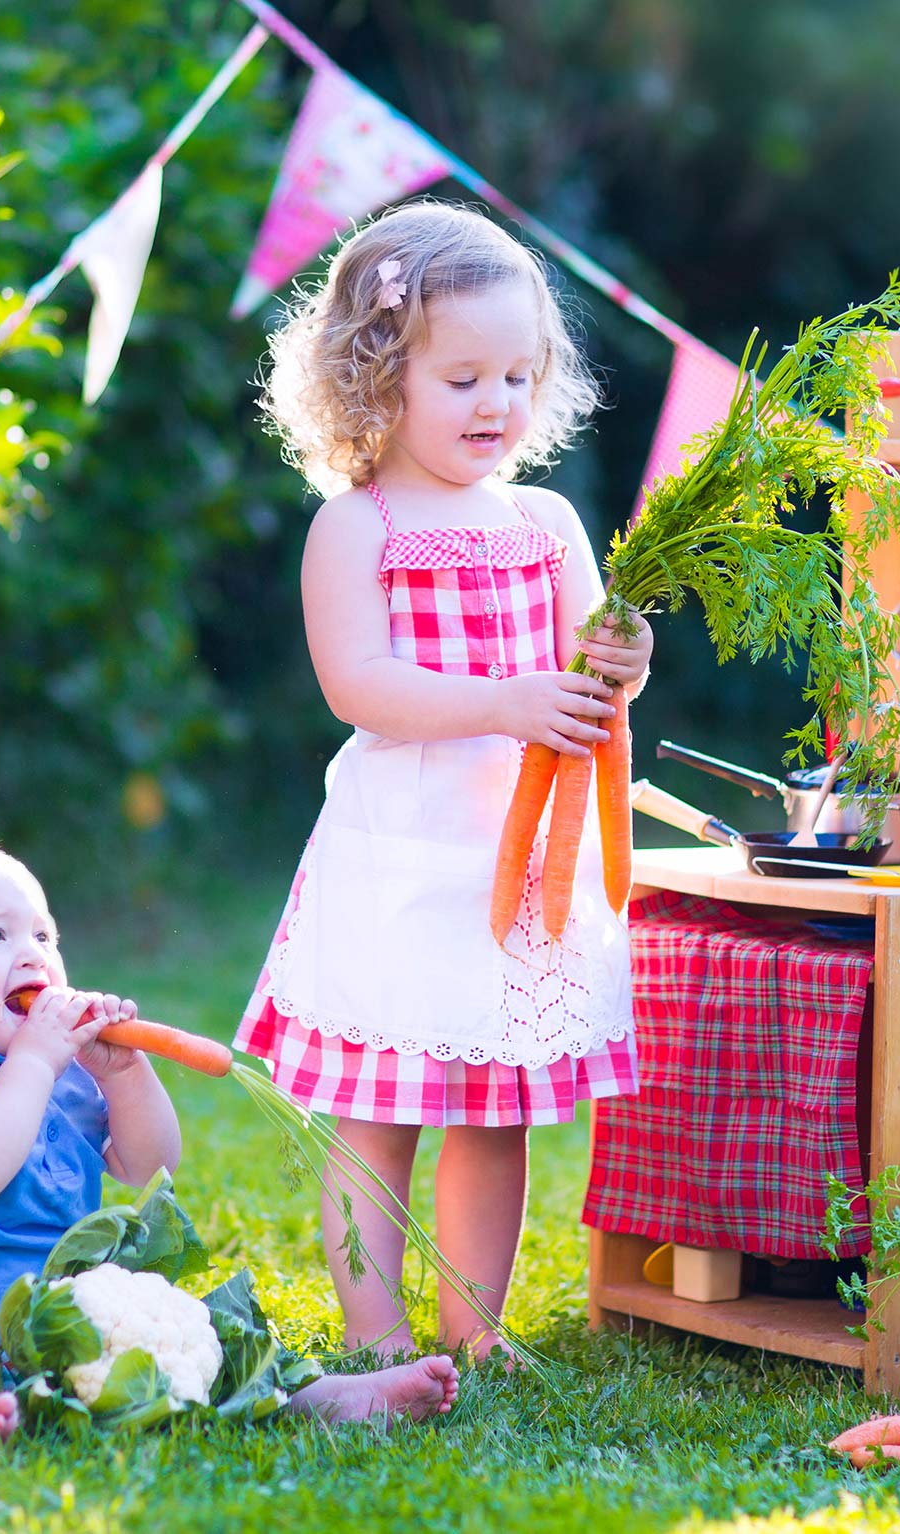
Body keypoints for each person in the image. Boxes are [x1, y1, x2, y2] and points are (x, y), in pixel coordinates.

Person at [239, 202, 652, 1360]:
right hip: (402, 862)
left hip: (519, 870)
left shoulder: (547, 518)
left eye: (516, 375)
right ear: (377, 381)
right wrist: (503, 702)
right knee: (373, 1121)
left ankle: (475, 1328)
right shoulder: (355, 527)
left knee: (495, 1116)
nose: (496, 404)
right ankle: (374, 1331)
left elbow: (588, 672)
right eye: (463, 377)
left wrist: (621, 662)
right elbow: (358, 686)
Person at [0, 826, 459, 1447]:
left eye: (42, 934)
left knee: (209, 1329)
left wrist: (126, 1073)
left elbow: (149, 1166)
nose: (32, 955)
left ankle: (318, 1396)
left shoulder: (52, 1062)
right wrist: (33, 1064)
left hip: (58, 1311)